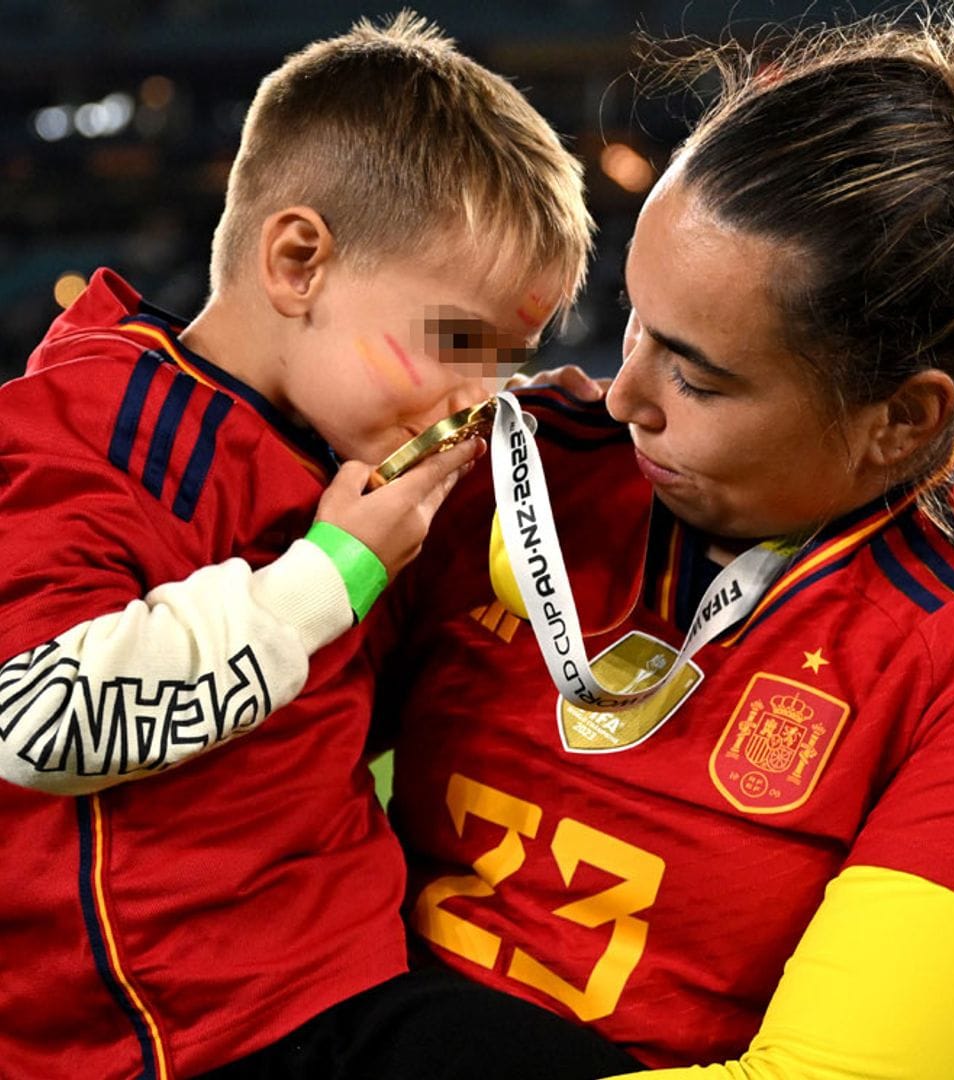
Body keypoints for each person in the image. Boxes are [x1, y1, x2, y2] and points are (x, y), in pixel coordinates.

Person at [370, 3, 954, 1076]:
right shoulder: (519, 477)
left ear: (904, 417)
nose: (622, 397)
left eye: (697, 376)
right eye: (636, 321)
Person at [0, 13, 647, 1080]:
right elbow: (34, 718)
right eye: (458, 343)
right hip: (175, 1041)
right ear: (299, 260)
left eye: (506, 361)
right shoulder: (77, 430)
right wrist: (329, 575)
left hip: (341, 983)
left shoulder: (341, 442)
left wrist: (578, 444)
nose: (476, 396)